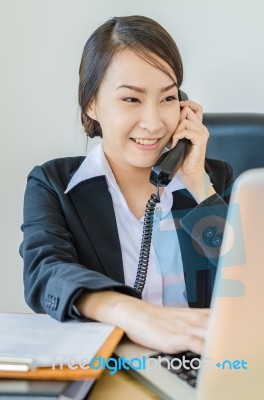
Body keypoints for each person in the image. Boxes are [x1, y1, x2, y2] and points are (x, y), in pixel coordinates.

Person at [20, 15, 233, 355]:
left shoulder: (215, 181)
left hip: (211, 368)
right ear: (92, 104)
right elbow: (46, 273)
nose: (153, 123)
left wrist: (198, 185)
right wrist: (134, 313)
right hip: (112, 370)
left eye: (167, 98)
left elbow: (250, 285)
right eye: (132, 99)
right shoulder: (55, 185)